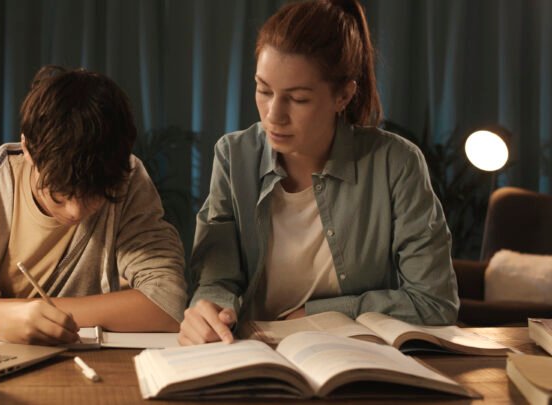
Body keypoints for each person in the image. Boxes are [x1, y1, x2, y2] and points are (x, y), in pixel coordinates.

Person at [179, 0, 459, 346]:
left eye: (297, 99)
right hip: (253, 354)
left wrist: (319, 314)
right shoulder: (234, 156)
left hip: (356, 356)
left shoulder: (395, 163)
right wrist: (210, 313)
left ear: (343, 95)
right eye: (263, 90)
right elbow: (217, 280)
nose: (273, 115)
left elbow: (434, 302)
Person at [0, 66, 187, 345]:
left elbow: (167, 302)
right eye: (59, 195)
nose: (75, 212)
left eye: (94, 195)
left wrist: (42, 314)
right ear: (27, 149)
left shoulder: (126, 177)